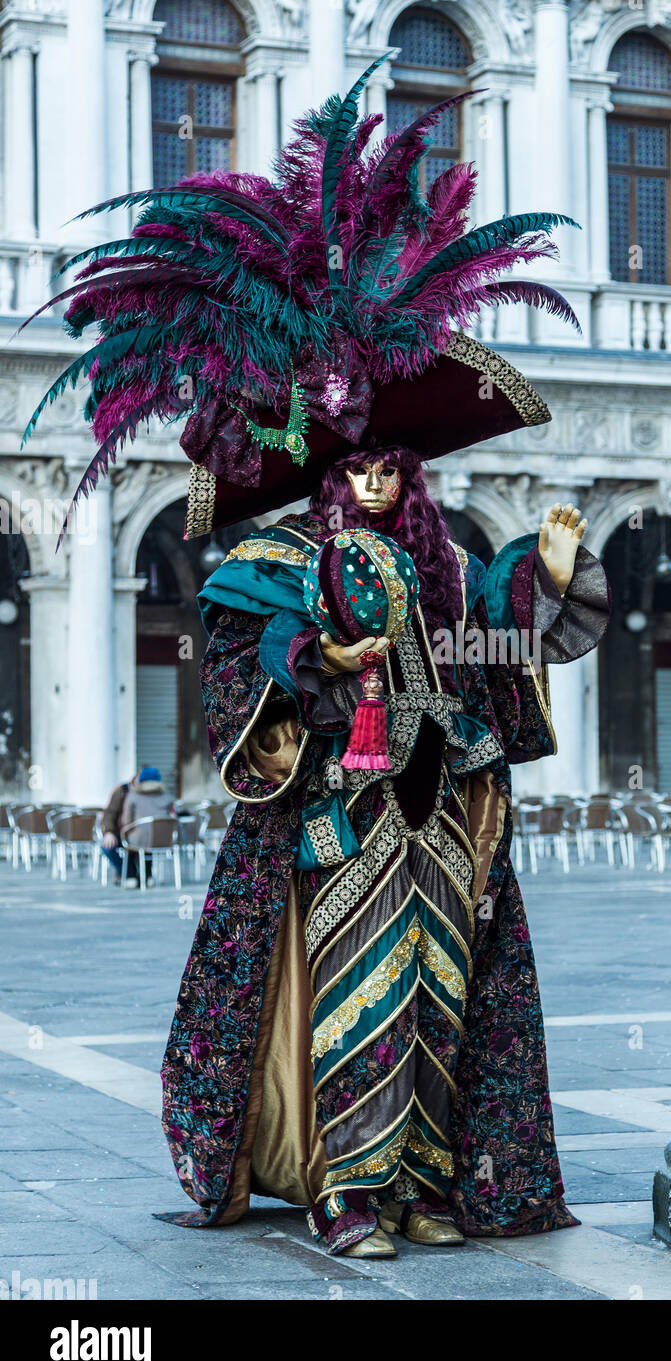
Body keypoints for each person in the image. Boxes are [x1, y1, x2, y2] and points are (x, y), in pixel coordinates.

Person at [25, 59, 609, 1258]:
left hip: (447, 805)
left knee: (443, 994)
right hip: (341, 811)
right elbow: (250, 641)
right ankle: (347, 1189)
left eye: (393, 465)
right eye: (359, 469)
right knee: (358, 995)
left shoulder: (447, 554)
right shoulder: (281, 551)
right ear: (326, 473)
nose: (379, 482)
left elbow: (497, 632)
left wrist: (545, 572)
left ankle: (428, 1181)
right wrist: (317, 655)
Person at [118, 767, 169, 887]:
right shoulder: (166, 795)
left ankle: (131, 877)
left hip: (140, 838)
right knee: (150, 841)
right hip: (163, 839)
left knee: (132, 842)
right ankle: (148, 876)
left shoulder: (133, 795)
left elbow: (127, 820)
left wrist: (129, 829)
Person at [100, 775, 134, 882]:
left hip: (137, 835)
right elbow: (109, 814)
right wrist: (109, 832)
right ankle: (126, 872)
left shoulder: (150, 795)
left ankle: (130, 874)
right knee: (107, 847)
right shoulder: (122, 791)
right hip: (119, 833)